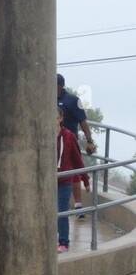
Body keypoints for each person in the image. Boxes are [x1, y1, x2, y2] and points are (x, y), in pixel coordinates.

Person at [57, 74, 97, 213]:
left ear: (60, 86)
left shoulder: (73, 100)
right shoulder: (46, 98)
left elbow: (83, 121)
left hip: (69, 141)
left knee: (74, 170)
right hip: (53, 142)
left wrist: (89, 141)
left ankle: (78, 204)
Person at [55, 105, 88, 252]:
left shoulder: (68, 136)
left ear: (61, 118)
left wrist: (85, 180)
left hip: (64, 181)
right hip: (46, 181)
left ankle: (64, 242)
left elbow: (77, 159)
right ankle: (50, 238)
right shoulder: (41, 136)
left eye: (55, 117)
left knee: (62, 211)